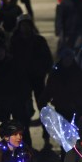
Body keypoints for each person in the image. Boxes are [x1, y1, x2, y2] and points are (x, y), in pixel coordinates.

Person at [0, 36, 34, 150]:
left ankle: (26, 149)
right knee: (2, 129)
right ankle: (4, 151)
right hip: (1, 103)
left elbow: (24, 83)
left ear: (5, 50)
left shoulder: (14, 63)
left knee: (21, 128)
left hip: (17, 101)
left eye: (1, 50)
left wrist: (26, 99)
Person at [10, 14, 54, 149]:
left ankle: (46, 138)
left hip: (38, 79)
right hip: (22, 81)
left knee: (43, 109)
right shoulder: (15, 41)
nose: (25, 28)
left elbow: (48, 59)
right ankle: (26, 140)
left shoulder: (39, 41)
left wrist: (43, 71)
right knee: (25, 111)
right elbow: (11, 60)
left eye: (27, 25)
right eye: (23, 25)